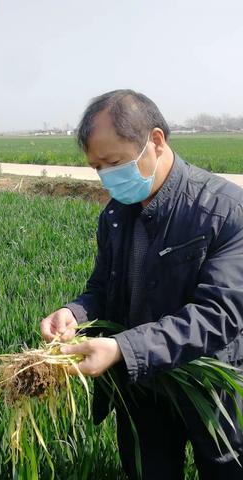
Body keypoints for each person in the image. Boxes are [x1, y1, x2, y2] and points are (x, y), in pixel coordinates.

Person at [40, 90, 243, 480]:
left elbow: (218, 316)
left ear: (156, 141)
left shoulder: (225, 212)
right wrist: (74, 312)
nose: (106, 176)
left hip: (210, 388)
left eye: (114, 162)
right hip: (141, 385)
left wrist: (121, 347)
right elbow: (103, 286)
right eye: (97, 167)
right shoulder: (116, 214)